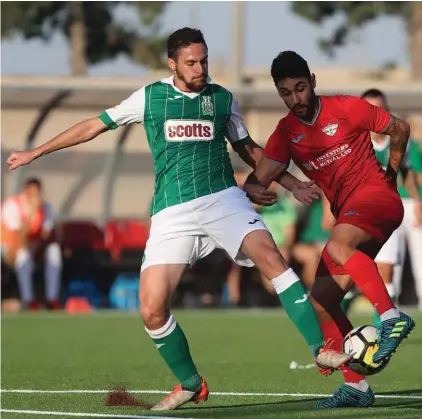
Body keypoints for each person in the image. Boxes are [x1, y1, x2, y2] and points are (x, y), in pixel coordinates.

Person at [7, 29, 350, 411]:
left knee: (272, 258)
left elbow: (250, 149)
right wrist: (36, 152)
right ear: (172, 63)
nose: (200, 68)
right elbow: (94, 125)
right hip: (173, 211)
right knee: (151, 308)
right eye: (192, 62)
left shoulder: (221, 100)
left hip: (223, 198)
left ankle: (320, 349)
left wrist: (292, 184)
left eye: (204, 60)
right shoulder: (151, 98)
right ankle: (190, 383)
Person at [243, 50, 416, 408]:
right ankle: (357, 387)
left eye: (301, 88)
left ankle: (390, 317)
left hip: (377, 199)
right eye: (286, 93)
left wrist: (392, 174)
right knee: (321, 299)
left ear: (313, 83)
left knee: (338, 246)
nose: (295, 99)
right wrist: (253, 189)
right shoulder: (286, 133)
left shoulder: (346, 108)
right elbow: (260, 177)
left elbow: (399, 128)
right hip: (350, 216)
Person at [360, 89, 422, 326]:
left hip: (389, 208)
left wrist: (417, 201)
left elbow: (406, 174)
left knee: (386, 267)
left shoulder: (397, 137)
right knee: (355, 269)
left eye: (380, 108)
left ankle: (384, 326)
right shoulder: (354, 138)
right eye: (370, 109)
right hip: (361, 209)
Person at [1, 178, 62, 310]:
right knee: (23, 255)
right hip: (9, 247)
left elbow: (45, 236)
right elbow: (19, 240)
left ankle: (52, 299)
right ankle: (28, 300)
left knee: (54, 251)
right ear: (25, 191)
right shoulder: (13, 205)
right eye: (32, 193)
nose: (36, 197)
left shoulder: (46, 207)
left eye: (38, 193)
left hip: (33, 246)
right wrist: (31, 214)